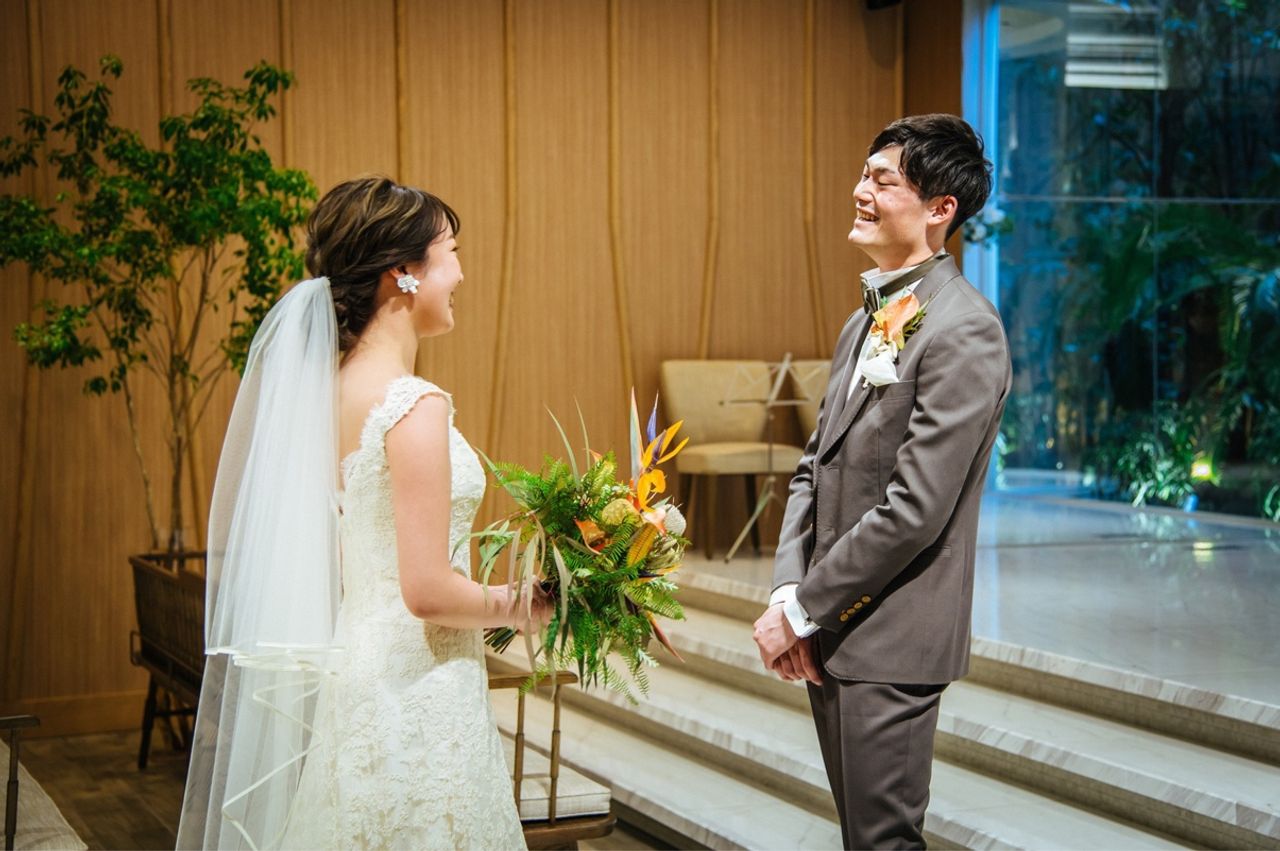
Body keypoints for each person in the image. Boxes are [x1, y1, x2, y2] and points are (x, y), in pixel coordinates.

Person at [176, 176, 550, 850]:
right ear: (402, 272)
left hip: (360, 675)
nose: (461, 274)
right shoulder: (413, 404)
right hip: (421, 687)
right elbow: (427, 592)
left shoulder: (332, 391)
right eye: (450, 254)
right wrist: (529, 602)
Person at [752, 114, 1011, 850]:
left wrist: (806, 608)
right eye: (863, 175)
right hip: (833, 626)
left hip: (894, 635)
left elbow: (915, 509)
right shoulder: (863, 321)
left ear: (940, 208)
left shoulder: (965, 329)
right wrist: (788, 593)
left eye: (882, 180)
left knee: (883, 841)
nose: (860, 191)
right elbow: (815, 464)